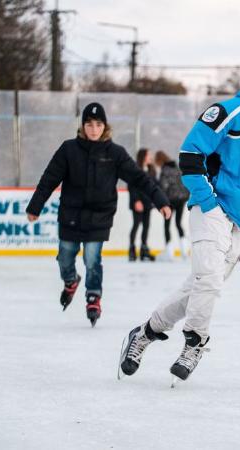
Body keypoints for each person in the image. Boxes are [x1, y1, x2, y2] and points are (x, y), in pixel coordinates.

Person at [119, 52, 240, 382]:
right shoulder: (229, 112)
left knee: (199, 287)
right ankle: (196, 341)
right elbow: (191, 154)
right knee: (208, 280)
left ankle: (146, 333)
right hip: (212, 209)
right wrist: (209, 203)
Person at [26, 103, 171, 326]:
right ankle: (71, 280)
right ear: (83, 126)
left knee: (92, 259)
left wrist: (160, 200)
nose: (94, 129)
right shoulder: (68, 150)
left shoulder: (115, 154)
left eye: (98, 124)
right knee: (66, 255)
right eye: (89, 124)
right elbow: (49, 179)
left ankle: (93, 295)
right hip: (70, 215)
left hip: (99, 216)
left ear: (105, 126)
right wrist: (35, 206)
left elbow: (139, 179)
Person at [154, 150, 190, 261]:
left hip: (170, 200)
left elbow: (163, 187)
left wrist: (161, 201)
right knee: (178, 223)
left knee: (167, 224)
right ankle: (184, 251)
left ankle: (170, 252)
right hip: (182, 198)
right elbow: (184, 183)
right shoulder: (177, 167)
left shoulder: (165, 170)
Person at [128, 148, 157, 262]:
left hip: (148, 202)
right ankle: (131, 249)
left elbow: (154, 186)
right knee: (136, 225)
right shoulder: (135, 168)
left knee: (146, 226)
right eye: (148, 155)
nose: (150, 157)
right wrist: (136, 201)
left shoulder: (151, 169)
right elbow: (132, 186)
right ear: (143, 156)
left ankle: (144, 250)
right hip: (138, 202)